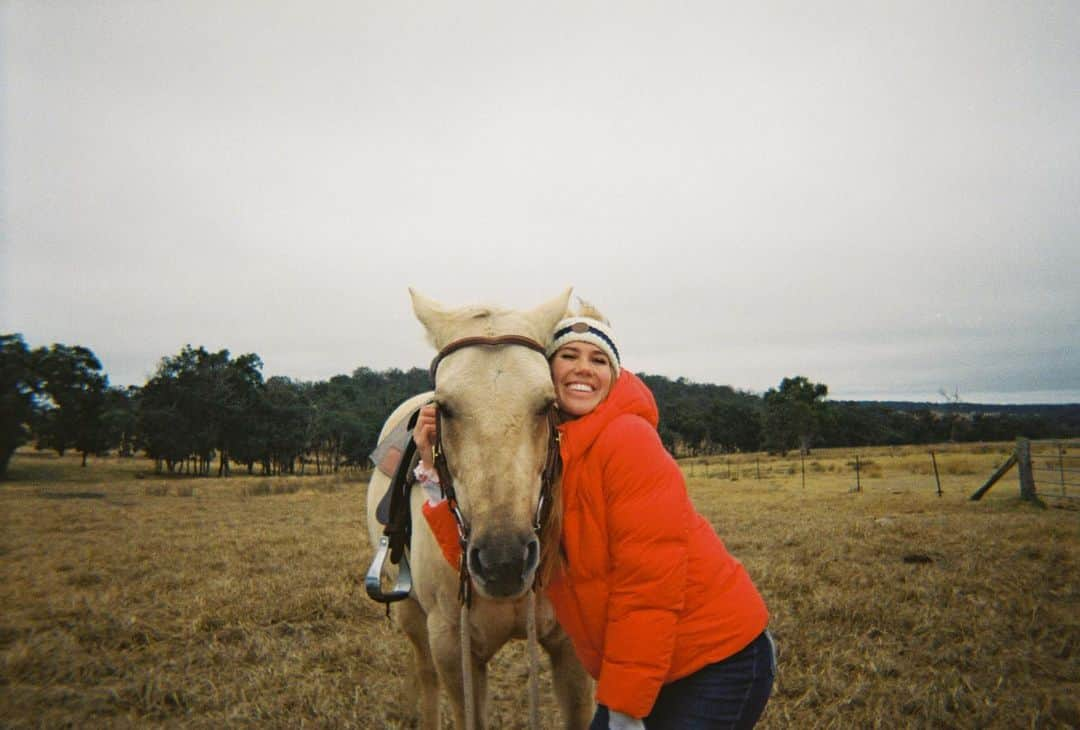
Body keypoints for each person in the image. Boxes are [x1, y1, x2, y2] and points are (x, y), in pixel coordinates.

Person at [413, 303, 775, 730]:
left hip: (717, 662)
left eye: (598, 359)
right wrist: (434, 476)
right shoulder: (552, 457)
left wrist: (624, 708)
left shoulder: (628, 441)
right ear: (548, 372)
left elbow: (648, 592)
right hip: (647, 665)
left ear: (615, 374)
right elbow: (479, 562)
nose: (583, 369)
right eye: (569, 356)